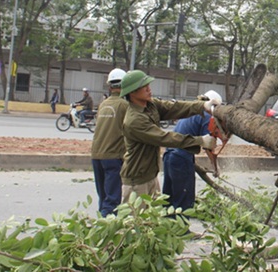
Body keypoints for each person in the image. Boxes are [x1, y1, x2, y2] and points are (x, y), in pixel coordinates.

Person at [119, 70, 220, 203]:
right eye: (144, 87)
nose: (149, 89)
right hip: (136, 181)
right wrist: (200, 141)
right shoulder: (135, 120)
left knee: (153, 220)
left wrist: (201, 106)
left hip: (150, 176)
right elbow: (165, 137)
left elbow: (174, 107)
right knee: (135, 221)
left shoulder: (150, 105)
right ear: (132, 92)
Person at [162, 90, 222, 211]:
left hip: (169, 155)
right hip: (181, 159)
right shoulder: (206, 116)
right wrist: (216, 167)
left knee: (168, 198)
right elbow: (208, 145)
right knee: (184, 201)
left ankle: (166, 226)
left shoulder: (191, 110)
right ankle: (182, 229)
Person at [91, 68, 128, 217]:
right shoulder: (124, 106)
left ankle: (99, 227)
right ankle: (106, 231)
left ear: (109, 86)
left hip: (96, 155)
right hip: (113, 156)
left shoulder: (103, 104)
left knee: (103, 197)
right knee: (112, 200)